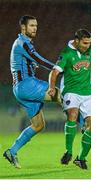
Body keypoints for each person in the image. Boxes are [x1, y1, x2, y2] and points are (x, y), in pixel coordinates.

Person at [48, 29, 91, 170]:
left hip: (88, 92)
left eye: (89, 43)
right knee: (72, 115)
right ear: (77, 41)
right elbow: (54, 72)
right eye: (85, 43)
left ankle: (80, 159)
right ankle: (68, 151)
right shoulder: (66, 53)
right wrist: (51, 87)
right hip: (71, 91)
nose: (87, 46)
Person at [3, 15, 61, 168]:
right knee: (60, 95)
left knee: (38, 125)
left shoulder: (21, 43)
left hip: (19, 89)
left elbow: (28, 61)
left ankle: (12, 151)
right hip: (27, 85)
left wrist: (31, 64)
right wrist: (57, 68)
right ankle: (85, 126)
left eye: (36, 25)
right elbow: (40, 59)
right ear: (23, 27)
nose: (35, 28)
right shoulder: (23, 43)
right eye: (32, 26)